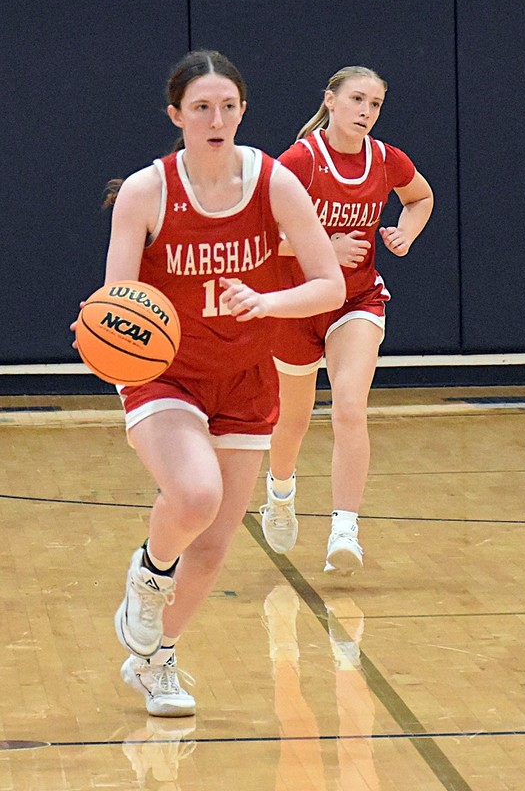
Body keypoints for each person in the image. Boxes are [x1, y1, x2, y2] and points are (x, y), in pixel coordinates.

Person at [73, 50, 345, 718]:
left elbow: (328, 284)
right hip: (165, 373)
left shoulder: (274, 182)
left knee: (217, 544)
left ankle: (156, 661)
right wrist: (103, 329)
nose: (215, 117)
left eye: (227, 105)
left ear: (243, 111)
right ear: (177, 115)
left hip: (247, 376)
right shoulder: (146, 191)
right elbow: (117, 293)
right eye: (201, 107)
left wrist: (266, 302)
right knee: (194, 495)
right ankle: (147, 574)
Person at [260, 65, 434, 573]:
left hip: (356, 302)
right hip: (297, 302)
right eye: (357, 99)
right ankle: (281, 492)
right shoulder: (300, 159)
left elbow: (420, 196)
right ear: (331, 101)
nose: (367, 111)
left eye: (376, 104)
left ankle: (345, 529)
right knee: (291, 420)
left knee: (350, 408)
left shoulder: (386, 159)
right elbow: (261, 235)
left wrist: (406, 231)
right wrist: (323, 248)